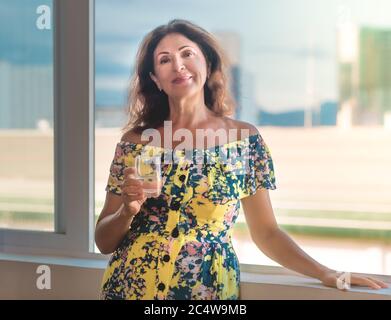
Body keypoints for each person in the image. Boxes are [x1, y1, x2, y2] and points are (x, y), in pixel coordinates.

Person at [94, 19, 388, 300]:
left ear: (207, 65)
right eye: (164, 59)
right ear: (156, 79)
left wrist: (328, 273)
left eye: (187, 54)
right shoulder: (135, 143)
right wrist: (127, 213)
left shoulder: (244, 142)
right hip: (130, 287)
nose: (178, 65)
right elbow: (104, 241)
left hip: (208, 291)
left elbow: (267, 233)